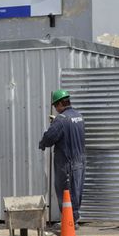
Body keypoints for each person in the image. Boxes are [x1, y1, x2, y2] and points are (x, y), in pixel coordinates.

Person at [38, 89, 86, 224]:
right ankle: (73, 219)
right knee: (76, 191)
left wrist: (42, 144)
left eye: (55, 106)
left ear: (60, 104)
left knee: (65, 191)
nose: (55, 109)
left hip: (67, 162)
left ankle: (70, 222)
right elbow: (70, 131)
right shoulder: (79, 116)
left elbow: (49, 138)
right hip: (80, 161)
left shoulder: (61, 120)